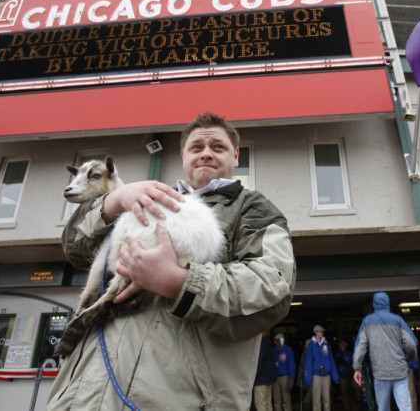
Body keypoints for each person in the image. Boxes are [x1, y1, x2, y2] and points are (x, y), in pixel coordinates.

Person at [47, 112, 296, 410]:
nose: (206, 154)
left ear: (236, 156)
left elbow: (272, 288)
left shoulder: (253, 208)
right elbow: (74, 249)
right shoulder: (145, 197)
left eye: (217, 147)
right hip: (83, 396)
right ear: (183, 155)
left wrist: (179, 281)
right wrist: (114, 200)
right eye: (196, 147)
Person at [352, 292, 418, 411]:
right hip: (400, 370)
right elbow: (411, 343)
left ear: (374, 304)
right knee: (405, 407)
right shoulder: (397, 319)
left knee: (383, 407)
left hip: (380, 372)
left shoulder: (367, 321)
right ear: (387, 303)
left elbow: (360, 347)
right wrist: (411, 357)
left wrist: (357, 367)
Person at [304, 325, 339, 411]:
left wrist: (335, 376)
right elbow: (308, 362)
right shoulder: (311, 345)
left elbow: (331, 360)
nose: (322, 333)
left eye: (323, 331)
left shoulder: (326, 344)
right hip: (316, 375)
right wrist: (307, 377)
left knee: (327, 400)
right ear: (316, 332)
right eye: (320, 331)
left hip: (327, 375)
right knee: (316, 401)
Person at [272, 333, 295, 411]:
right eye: (275, 340)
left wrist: (291, 378)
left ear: (282, 340)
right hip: (275, 377)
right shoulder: (273, 350)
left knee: (286, 399)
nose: (276, 342)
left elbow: (291, 364)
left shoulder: (287, 349)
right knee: (276, 399)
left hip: (285, 377)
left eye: (278, 340)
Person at [254, 333, 276, 411]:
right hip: (269, 379)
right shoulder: (270, 345)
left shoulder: (261, 345)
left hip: (261, 379)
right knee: (268, 402)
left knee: (260, 403)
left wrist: (253, 376)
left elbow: (260, 362)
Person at [334, 340, 353, 411]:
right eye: (340, 345)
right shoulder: (337, 355)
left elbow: (352, 363)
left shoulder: (349, 354)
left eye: (343, 345)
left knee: (349, 391)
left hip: (348, 375)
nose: (341, 346)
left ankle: (351, 405)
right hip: (341, 376)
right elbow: (335, 365)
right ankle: (347, 407)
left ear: (345, 346)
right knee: (344, 391)